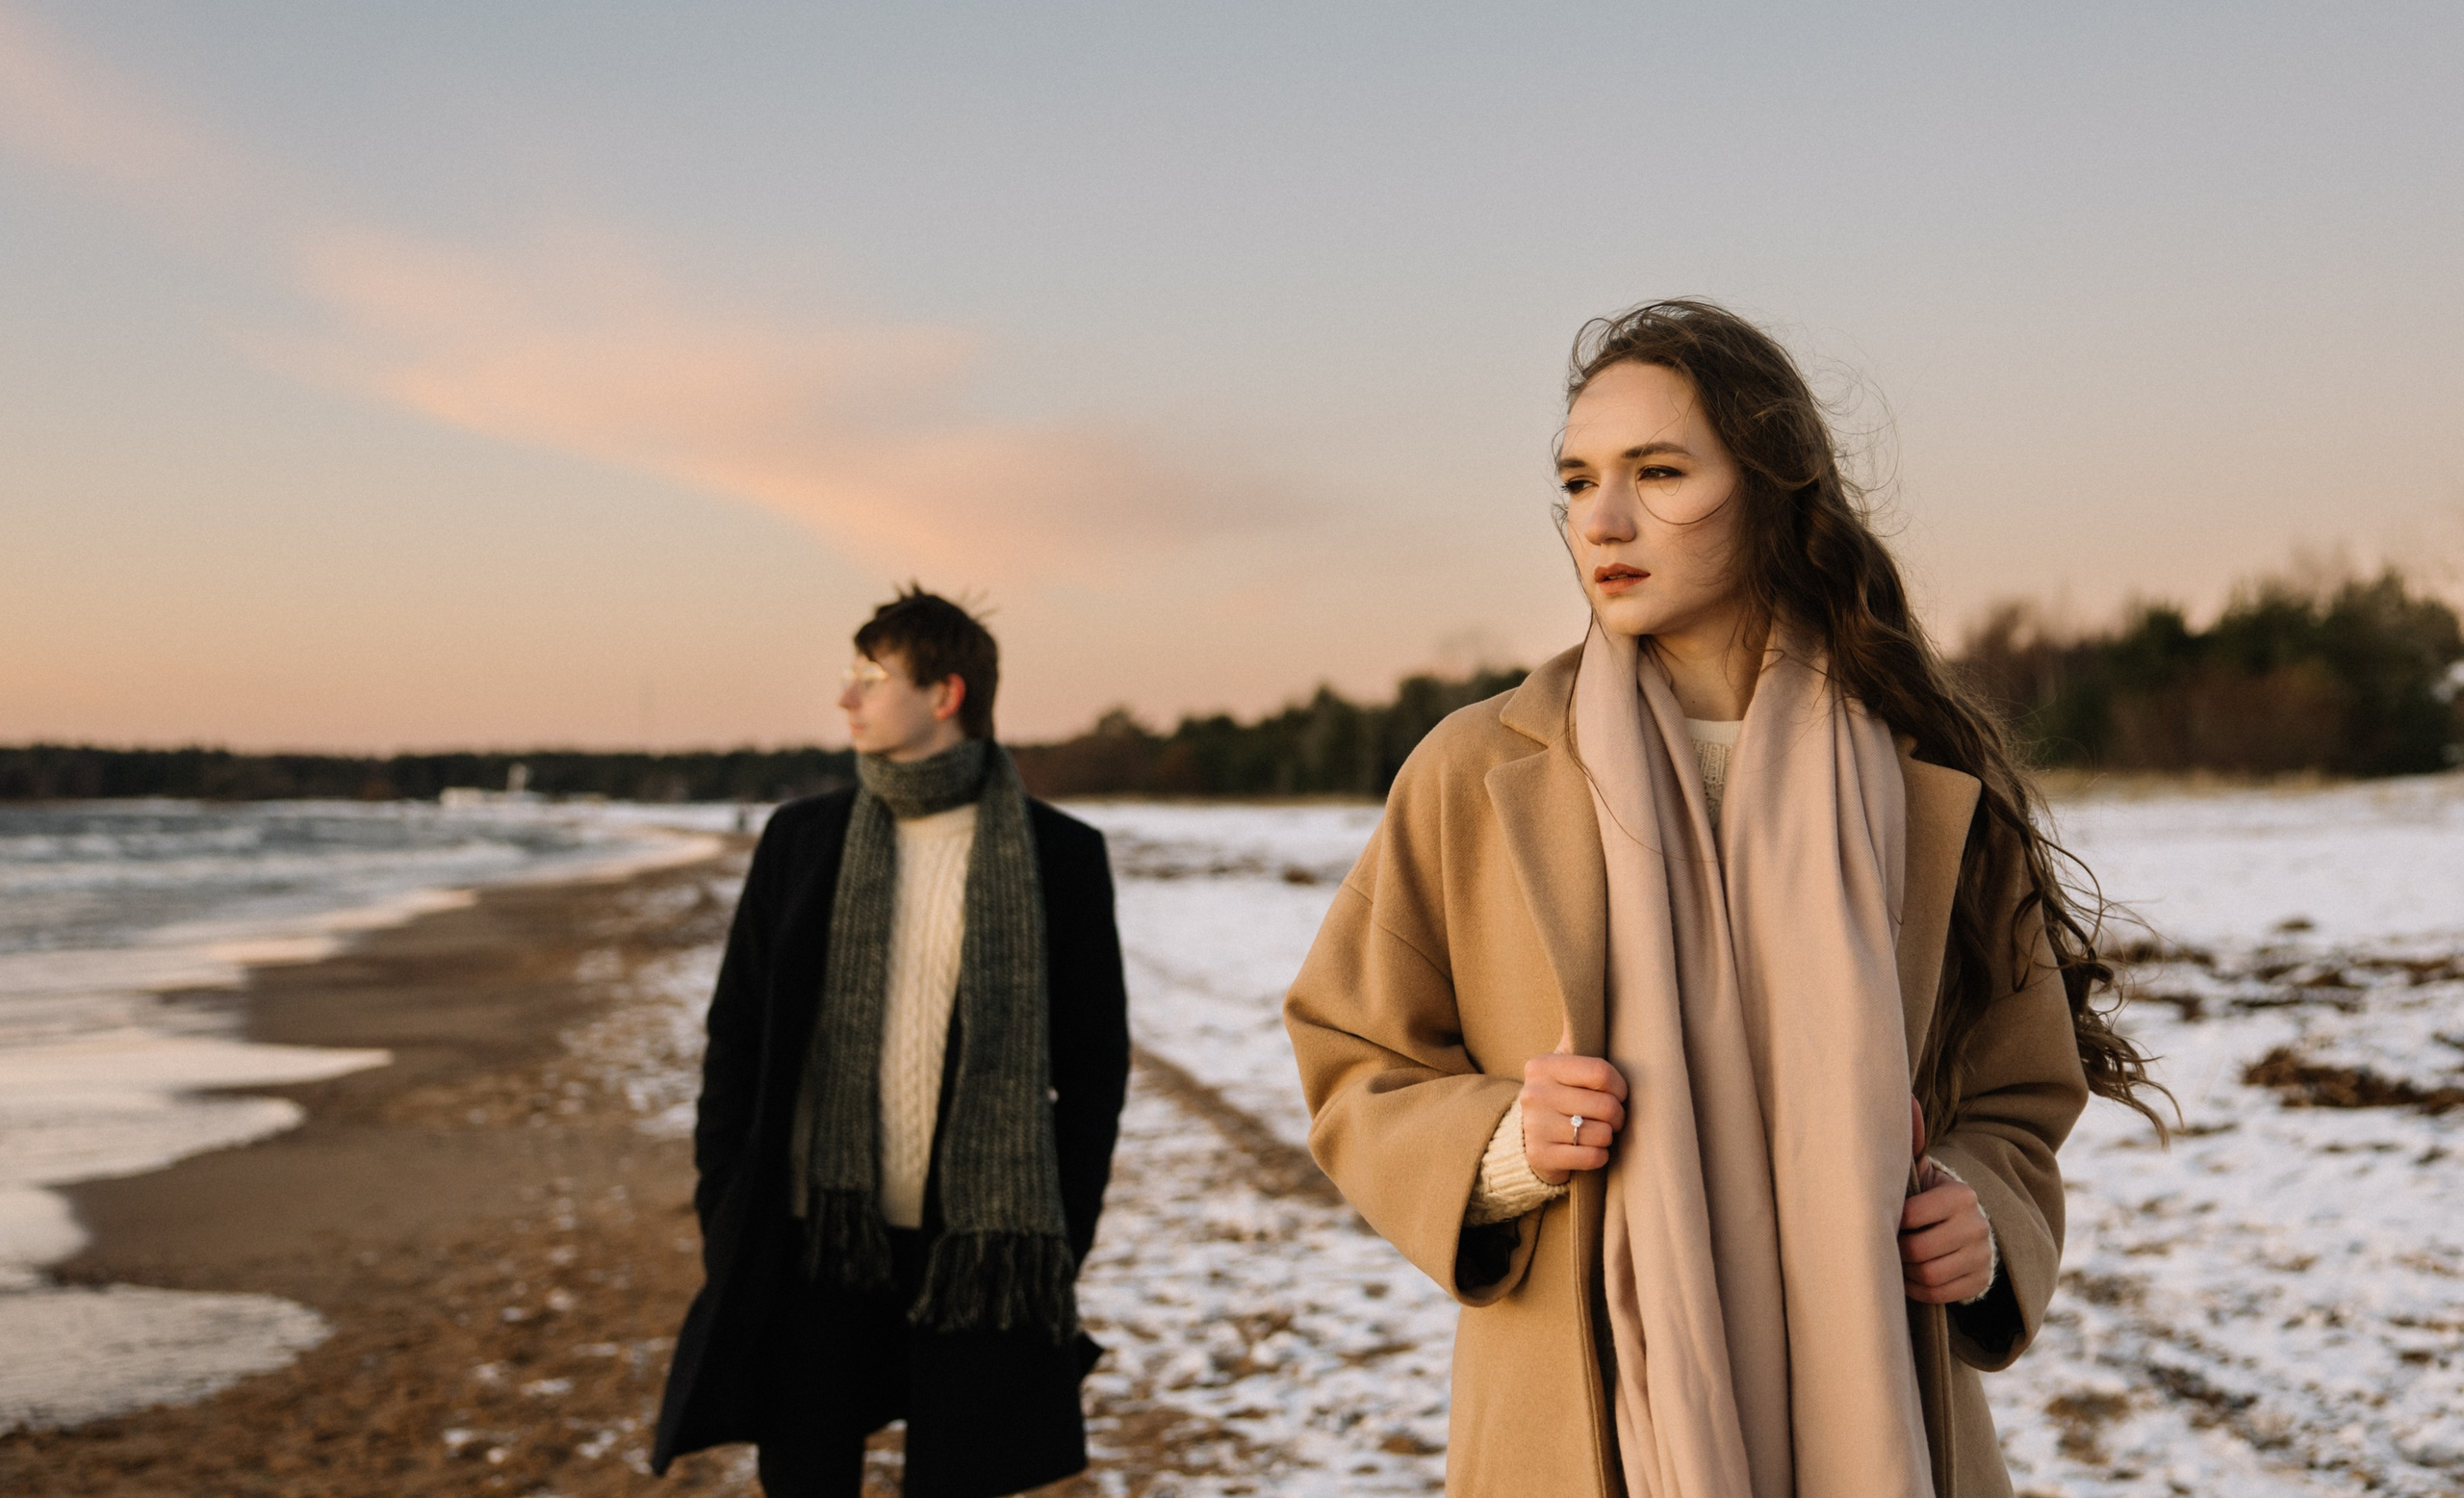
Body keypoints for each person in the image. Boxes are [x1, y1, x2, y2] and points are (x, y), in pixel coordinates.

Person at [1284, 301, 2165, 1498]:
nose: (1601, 519)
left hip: (1878, 1404)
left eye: (1657, 473)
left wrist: (1982, 1208)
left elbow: (2018, 1086)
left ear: (1768, 488)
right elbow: (1354, 1055)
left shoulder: (1922, 772)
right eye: (1578, 479)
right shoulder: (1475, 770)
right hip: (1580, 1423)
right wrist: (1502, 1147)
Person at [654, 587, 1130, 1498]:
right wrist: (727, 1204)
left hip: (977, 1247)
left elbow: (1094, 1069)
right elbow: (738, 1034)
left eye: (871, 678)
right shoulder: (803, 839)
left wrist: (1060, 1235)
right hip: (813, 1234)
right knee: (803, 1476)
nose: (846, 699)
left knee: (959, 1479)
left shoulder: (1059, 854)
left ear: (945, 695)